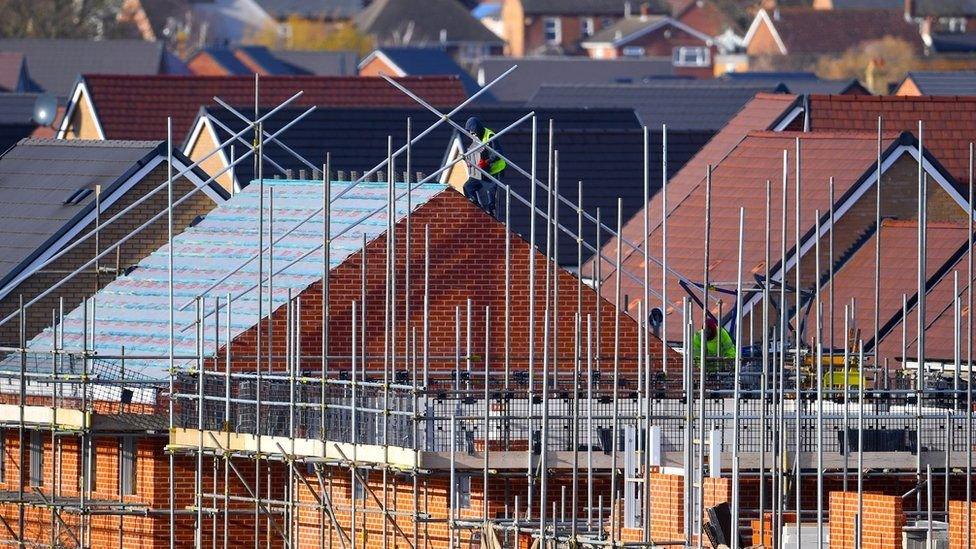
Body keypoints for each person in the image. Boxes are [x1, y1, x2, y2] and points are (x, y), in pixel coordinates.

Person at [461, 117, 506, 215]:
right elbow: (475, 153)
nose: (473, 135)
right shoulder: (476, 138)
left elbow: (498, 153)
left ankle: (491, 212)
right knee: (468, 187)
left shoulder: (489, 136)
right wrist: (469, 160)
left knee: (491, 194)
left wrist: (487, 161)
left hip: (496, 170)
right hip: (484, 170)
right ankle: (476, 209)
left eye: (473, 132)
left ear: (476, 129)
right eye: (471, 133)